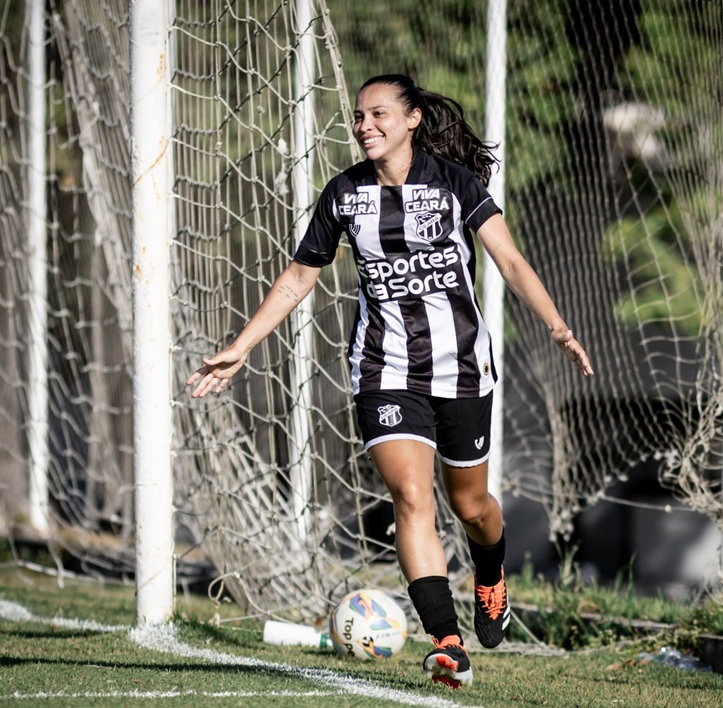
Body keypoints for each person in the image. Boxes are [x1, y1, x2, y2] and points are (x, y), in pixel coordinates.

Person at [186, 74, 592, 688]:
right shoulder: (344, 195)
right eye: (357, 116)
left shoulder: (456, 185)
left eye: (378, 114)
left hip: (461, 367)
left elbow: (510, 260)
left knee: (472, 505)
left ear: (412, 121)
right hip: (383, 370)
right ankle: (448, 644)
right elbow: (300, 276)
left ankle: (490, 573)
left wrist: (559, 328)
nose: (364, 125)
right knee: (410, 496)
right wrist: (241, 347)